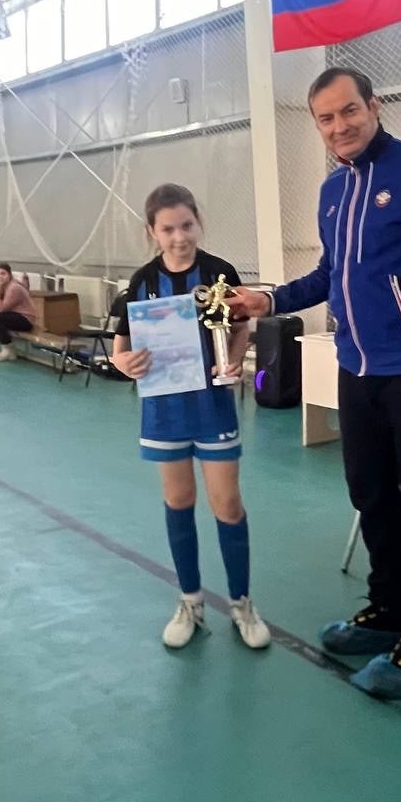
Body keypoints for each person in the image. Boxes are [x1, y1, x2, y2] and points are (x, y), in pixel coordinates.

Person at [227, 68, 401, 700]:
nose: (339, 126)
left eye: (349, 110)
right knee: (370, 492)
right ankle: (389, 605)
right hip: (357, 368)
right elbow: (330, 274)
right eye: (326, 118)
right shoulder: (332, 191)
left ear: (374, 105)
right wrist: (269, 299)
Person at [112, 183, 271, 652]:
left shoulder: (220, 274)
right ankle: (190, 602)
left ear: (198, 221)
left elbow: (239, 329)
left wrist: (234, 363)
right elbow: (121, 348)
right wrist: (123, 364)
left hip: (212, 407)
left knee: (227, 504)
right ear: (152, 232)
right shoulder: (141, 282)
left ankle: (241, 603)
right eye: (168, 229)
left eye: (187, 225)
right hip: (164, 410)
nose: (179, 237)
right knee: (179, 500)